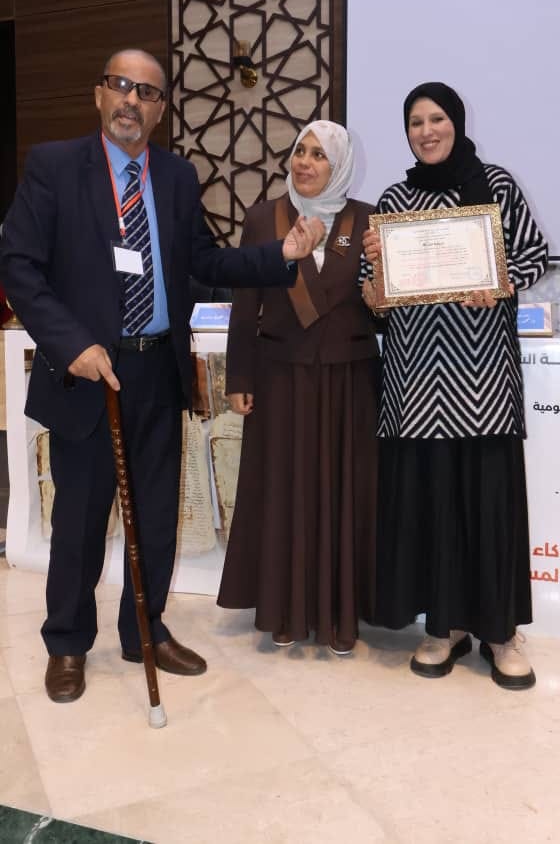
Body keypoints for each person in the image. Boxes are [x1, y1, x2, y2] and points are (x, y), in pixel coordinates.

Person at [0, 49, 325, 704]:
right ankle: (67, 642)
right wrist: (72, 344)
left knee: (154, 517)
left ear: (160, 110)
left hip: (156, 368)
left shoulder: (176, 176)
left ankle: (143, 630)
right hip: (87, 372)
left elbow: (203, 261)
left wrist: (280, 255)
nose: (132, 100)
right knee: (81, 518)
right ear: (99, 94)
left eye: (146, 92)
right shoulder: (56, 166)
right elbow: (20, 266)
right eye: (121, 85)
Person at [362, 81, 548, 690]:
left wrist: (498, 280)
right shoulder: (394, 200)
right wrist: (376, 276)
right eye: (415, 122)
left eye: (436, 118)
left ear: (457, 122)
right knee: (433, 508)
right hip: (416, 384)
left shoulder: (496, 186)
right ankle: (443, 628)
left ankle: (500, 633)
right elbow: (374, 298)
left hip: (482, 381)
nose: (426, 131)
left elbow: (534, 254)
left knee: (488, 507)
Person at [217, 121, 379, 653]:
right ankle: (283, 608)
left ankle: (339, 614)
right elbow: (246, 303)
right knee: (283, 490)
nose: (305, 162)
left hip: (349, 378)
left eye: (319, 155)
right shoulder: (264, 218)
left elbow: (381, 305)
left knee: (342, 493)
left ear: (340, 166)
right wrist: (239, 376)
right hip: (280, 375)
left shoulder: (368, 220)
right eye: (300, 151)